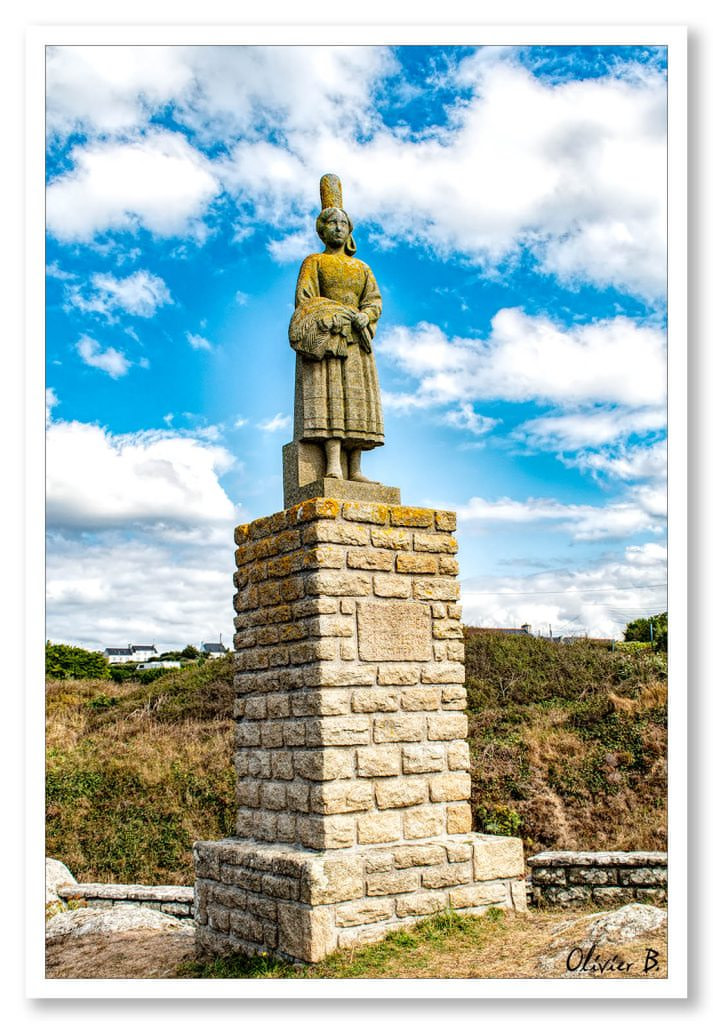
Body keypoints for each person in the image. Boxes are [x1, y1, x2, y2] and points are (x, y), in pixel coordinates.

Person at [289, 196, 384, 482]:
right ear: (322, 230)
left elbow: (374, 300)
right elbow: (305, 301)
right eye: (332, 223)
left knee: (356, 403)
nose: (339, 228)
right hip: (330, 340)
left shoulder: (362, 268)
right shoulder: (314, 262)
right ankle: (333, 464)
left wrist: (366, 316)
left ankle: (355, 468)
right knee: (331, 402)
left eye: (344, 223)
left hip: (357, 341)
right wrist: (331, 315)